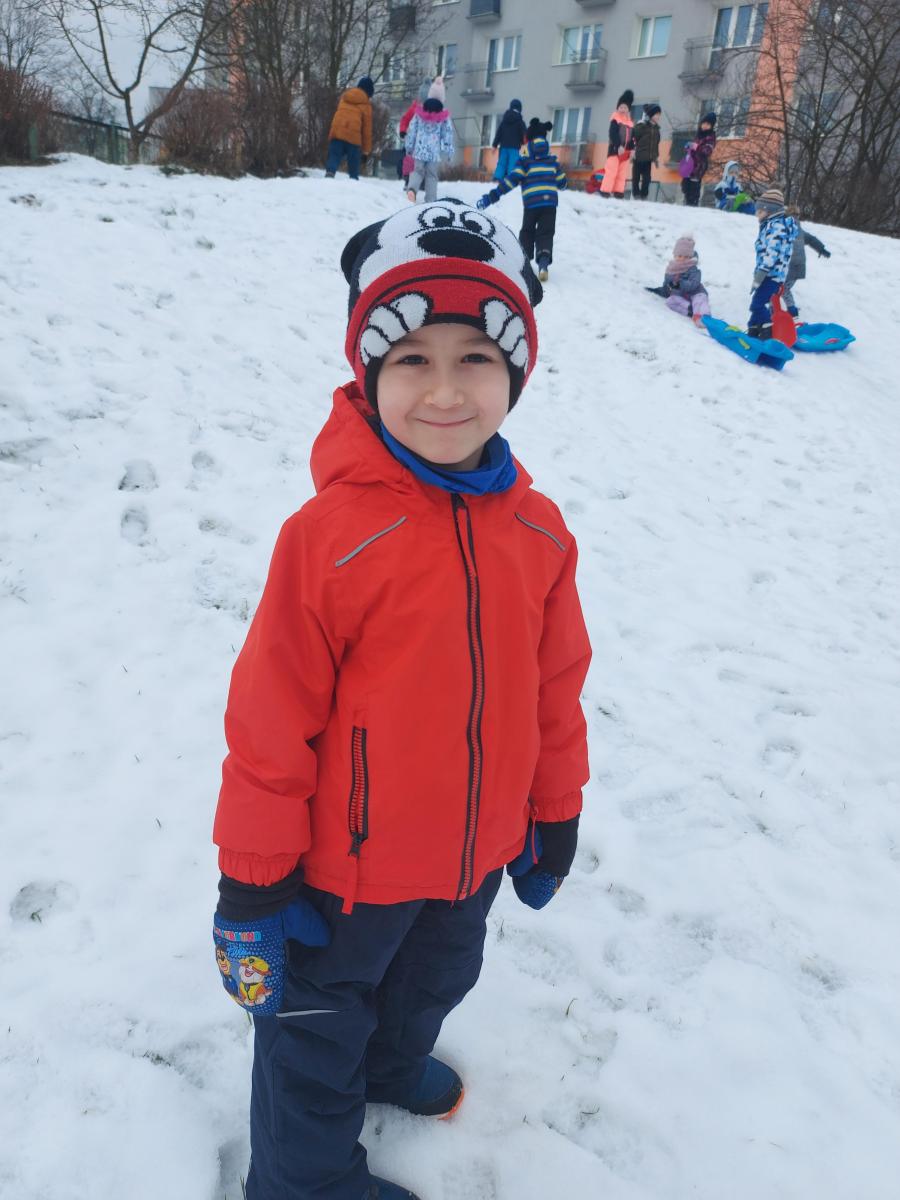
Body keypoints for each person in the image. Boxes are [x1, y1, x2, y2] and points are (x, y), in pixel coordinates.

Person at [212, 196, 591, 1200]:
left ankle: (389, 1065)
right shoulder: (330, 539)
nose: (446, 390)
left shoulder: (540, 534)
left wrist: (553, 811)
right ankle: (301, 1182)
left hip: (471, 857)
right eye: (413, 358)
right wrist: (254, 881)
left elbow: (556, 689)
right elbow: (269, 720)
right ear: (369, 374)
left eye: (476, 357)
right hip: (345, 873)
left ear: (516, 371)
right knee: (313, 1028)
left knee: (433, 981)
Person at [475, 136, 567, 283]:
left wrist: (492, 197)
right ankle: (543, 265)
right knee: (546, 233)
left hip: (532, 205)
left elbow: (510, 182)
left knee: (527, 232)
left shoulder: (525, 163)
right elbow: (562, 183)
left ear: (531, 150)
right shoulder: (552, 163)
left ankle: (524, 264)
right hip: (549, 205)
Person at [748, 187, 799, 339]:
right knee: (758, 303)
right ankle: (753, 328)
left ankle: (767, 329)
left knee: (757, 304)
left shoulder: (776, 227)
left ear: (769, 210)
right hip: (771, 275)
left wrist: (760, 274)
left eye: (760, 212)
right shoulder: (771, 225)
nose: (757, 215)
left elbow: (772, 254)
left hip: (771, 276)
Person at [405, 76, 454, 203]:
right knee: (432, 176)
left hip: (419, 150)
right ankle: (430, 200)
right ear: (442, 97)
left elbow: (412, 129)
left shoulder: (420, 111)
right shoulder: (444, 115)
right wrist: (448, 151)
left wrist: (409, 146)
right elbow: (447, 134)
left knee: (417, 171)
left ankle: (412, 190)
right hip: (433, 153)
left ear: (430, 94)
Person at [645, 234, 711, 326]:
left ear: (690, 257)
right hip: (682, 296)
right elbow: (667, 286)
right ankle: (690, 310)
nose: (682, 259)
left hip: (696, 293)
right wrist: (659, 290)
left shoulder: (693, 269)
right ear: (675, 256)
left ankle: (705, 318)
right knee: (670, 301)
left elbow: (693, 284)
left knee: (699, 301)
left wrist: (680, 284)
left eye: (686, 257)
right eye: (680, 256)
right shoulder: (671, 270)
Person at [783, 214, 831, 322]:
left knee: (783, 288)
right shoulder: (800, 231)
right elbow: (812, 239)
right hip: (798, 266)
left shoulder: (783, 231)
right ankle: (786, 309)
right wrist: (822, 250)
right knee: (783, 288)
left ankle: (792, 312)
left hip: (791, 266)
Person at [325, 77, 374, 180]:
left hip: (337, 131)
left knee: (334, 156)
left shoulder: (345, 97)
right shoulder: (366, 105)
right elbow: (366, 130)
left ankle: (330, 174)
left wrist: (331, 134)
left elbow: (338, 116)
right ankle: (353, 179)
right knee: (353, 161)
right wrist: (365, 151)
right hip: (353, 136)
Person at [599, 90, 635, 198]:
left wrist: (632, 149)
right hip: (615, 150)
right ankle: (605, 191)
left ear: (628, 109)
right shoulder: (615, 120)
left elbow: (633, 138)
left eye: (625, 107)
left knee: (622, 173)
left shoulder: (630, 123)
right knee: (611, 171)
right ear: (617, 108)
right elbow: (612, 134)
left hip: (625, 153)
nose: (623, 109)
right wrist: (618, 145)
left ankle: (618, 191)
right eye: (621, 107)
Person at [397, 79, 431, 187]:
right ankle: (408, 180)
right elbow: (405, 119)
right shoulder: (415, 108)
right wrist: (403, 130)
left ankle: (422, 182)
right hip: (412, 140)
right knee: (409, 160)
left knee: (424, 162)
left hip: (426, 142)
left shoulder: (432, 110)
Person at [680, 112, 717, 207]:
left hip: (699, 167)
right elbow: (692, 150)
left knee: (694, 190)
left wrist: (695, 146)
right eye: (703, 123)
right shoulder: (698, 135)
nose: (705, 126)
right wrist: (688, 149)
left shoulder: (710, 137)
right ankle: (687, 205)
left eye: (708, 124)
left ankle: (692, 206)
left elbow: (707, 151)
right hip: (690, 166)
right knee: (686, 188)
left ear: (711, 126)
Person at [631, 103, 661, 201]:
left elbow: (656, 144)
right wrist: (632, 150)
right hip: (638, 157)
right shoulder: (641, 126)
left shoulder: (656, 129)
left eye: (659, 115)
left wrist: (655, 158)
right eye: (656, 114)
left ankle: (644, 195)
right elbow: (633, 137)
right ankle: (636, 194)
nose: (658, 117)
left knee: (647, 179)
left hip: (648, 159)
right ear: (650, 115)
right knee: (636, 177)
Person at [492, 98, 527, 180]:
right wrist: (524, 143)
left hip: (503, 146)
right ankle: (511, 179)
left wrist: (494, 145)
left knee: (502, 163)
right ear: (520, 108)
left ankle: (497, 177)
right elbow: (524, 134)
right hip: (514, 147)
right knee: (513, 163)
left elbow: (499, 133)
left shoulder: (504, 121)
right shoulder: (520, 122)